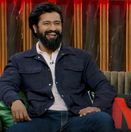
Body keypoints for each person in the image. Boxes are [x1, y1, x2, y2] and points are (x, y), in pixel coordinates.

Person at [0, 2, 116, 132]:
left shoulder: (81, 57)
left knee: (103, 120)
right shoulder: (19, 60)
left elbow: (104, 86)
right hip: (41, 119)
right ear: (35, 28)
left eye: (57, 23)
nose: (53, 28)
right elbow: (5, 84)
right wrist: (14, 101)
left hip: (77, 117)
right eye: (46, 23)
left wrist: (97, 107)